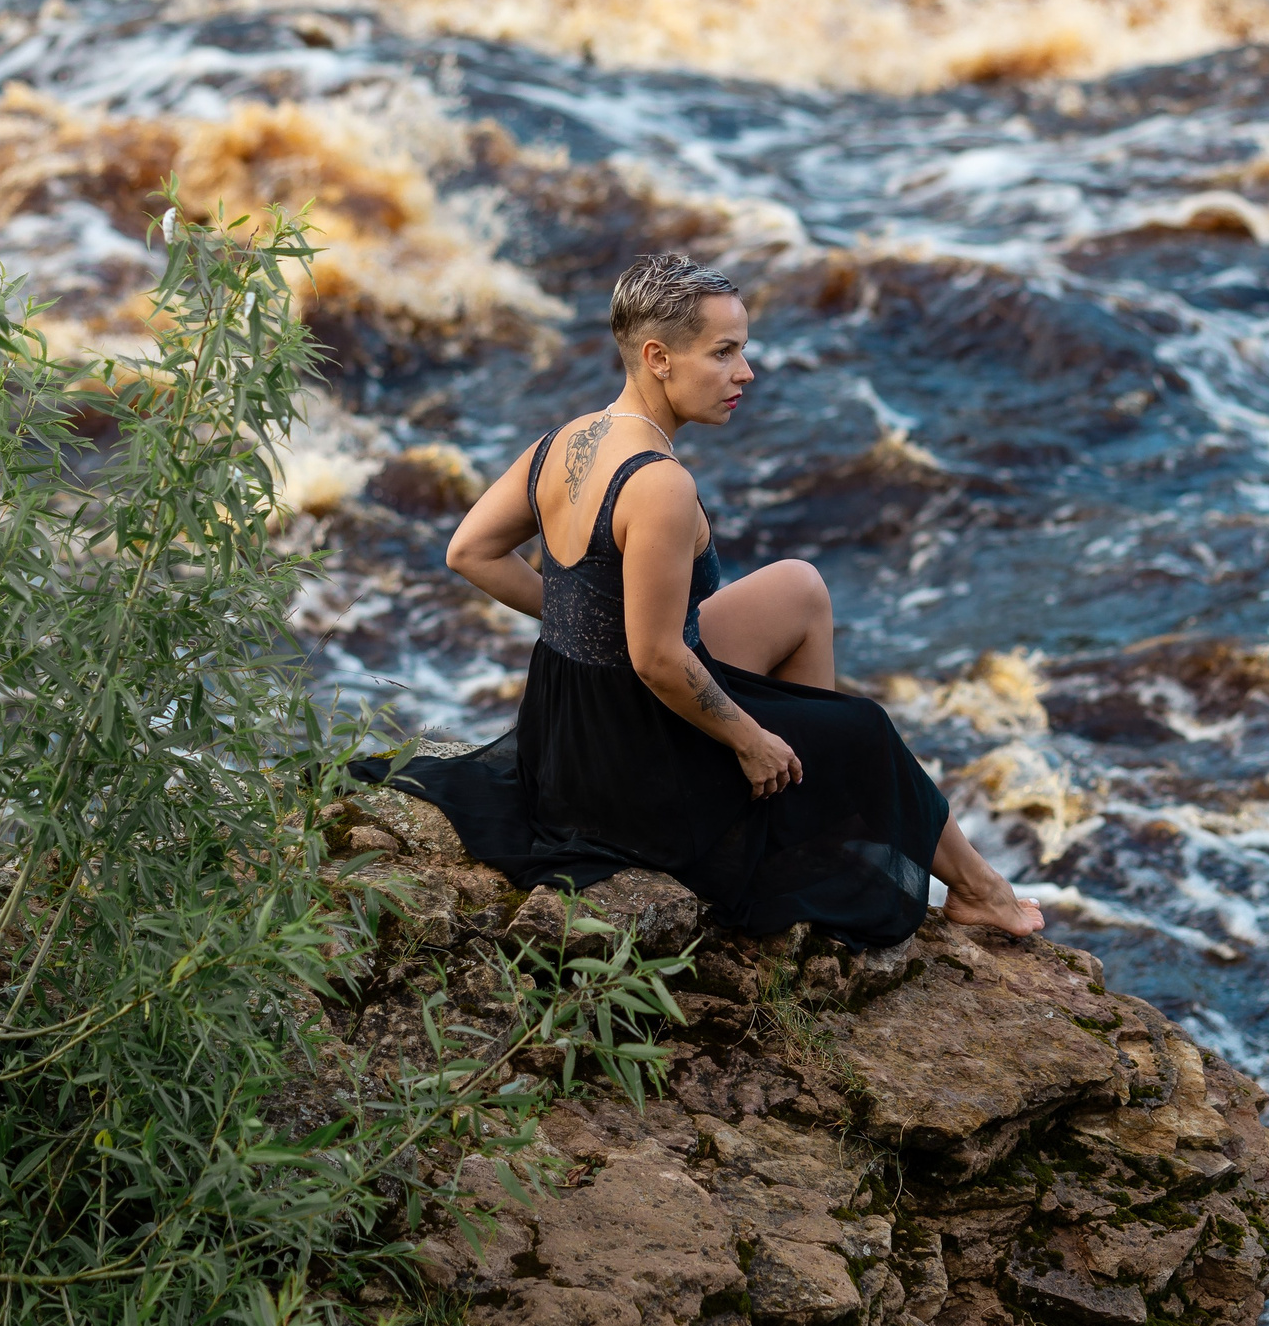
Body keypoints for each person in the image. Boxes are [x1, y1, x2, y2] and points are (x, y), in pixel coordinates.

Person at [354, 253, 1042, 948]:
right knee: (863, 730)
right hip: (628, 757)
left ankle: (788, 821)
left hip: (567, 724)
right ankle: (980, 890)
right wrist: (751, 741)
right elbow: (655, 658)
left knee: (799, 586)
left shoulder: (566, 439)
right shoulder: (657, 482)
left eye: (743, 349)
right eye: (725, 352)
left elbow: (467, 550)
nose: (746, 372)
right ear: (658, 356)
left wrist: (585, 621)